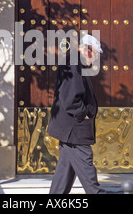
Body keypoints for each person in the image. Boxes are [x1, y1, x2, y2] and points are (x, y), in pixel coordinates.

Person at [48, 34, 104, 194]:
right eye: (95, 54)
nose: (95, 59)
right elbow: (70, 99)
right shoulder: (73, 65)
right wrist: (83, 114)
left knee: (64, 173)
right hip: (74, 130)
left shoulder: (74, 63)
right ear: (86, 50)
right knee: (88, 172)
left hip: (70, 130)